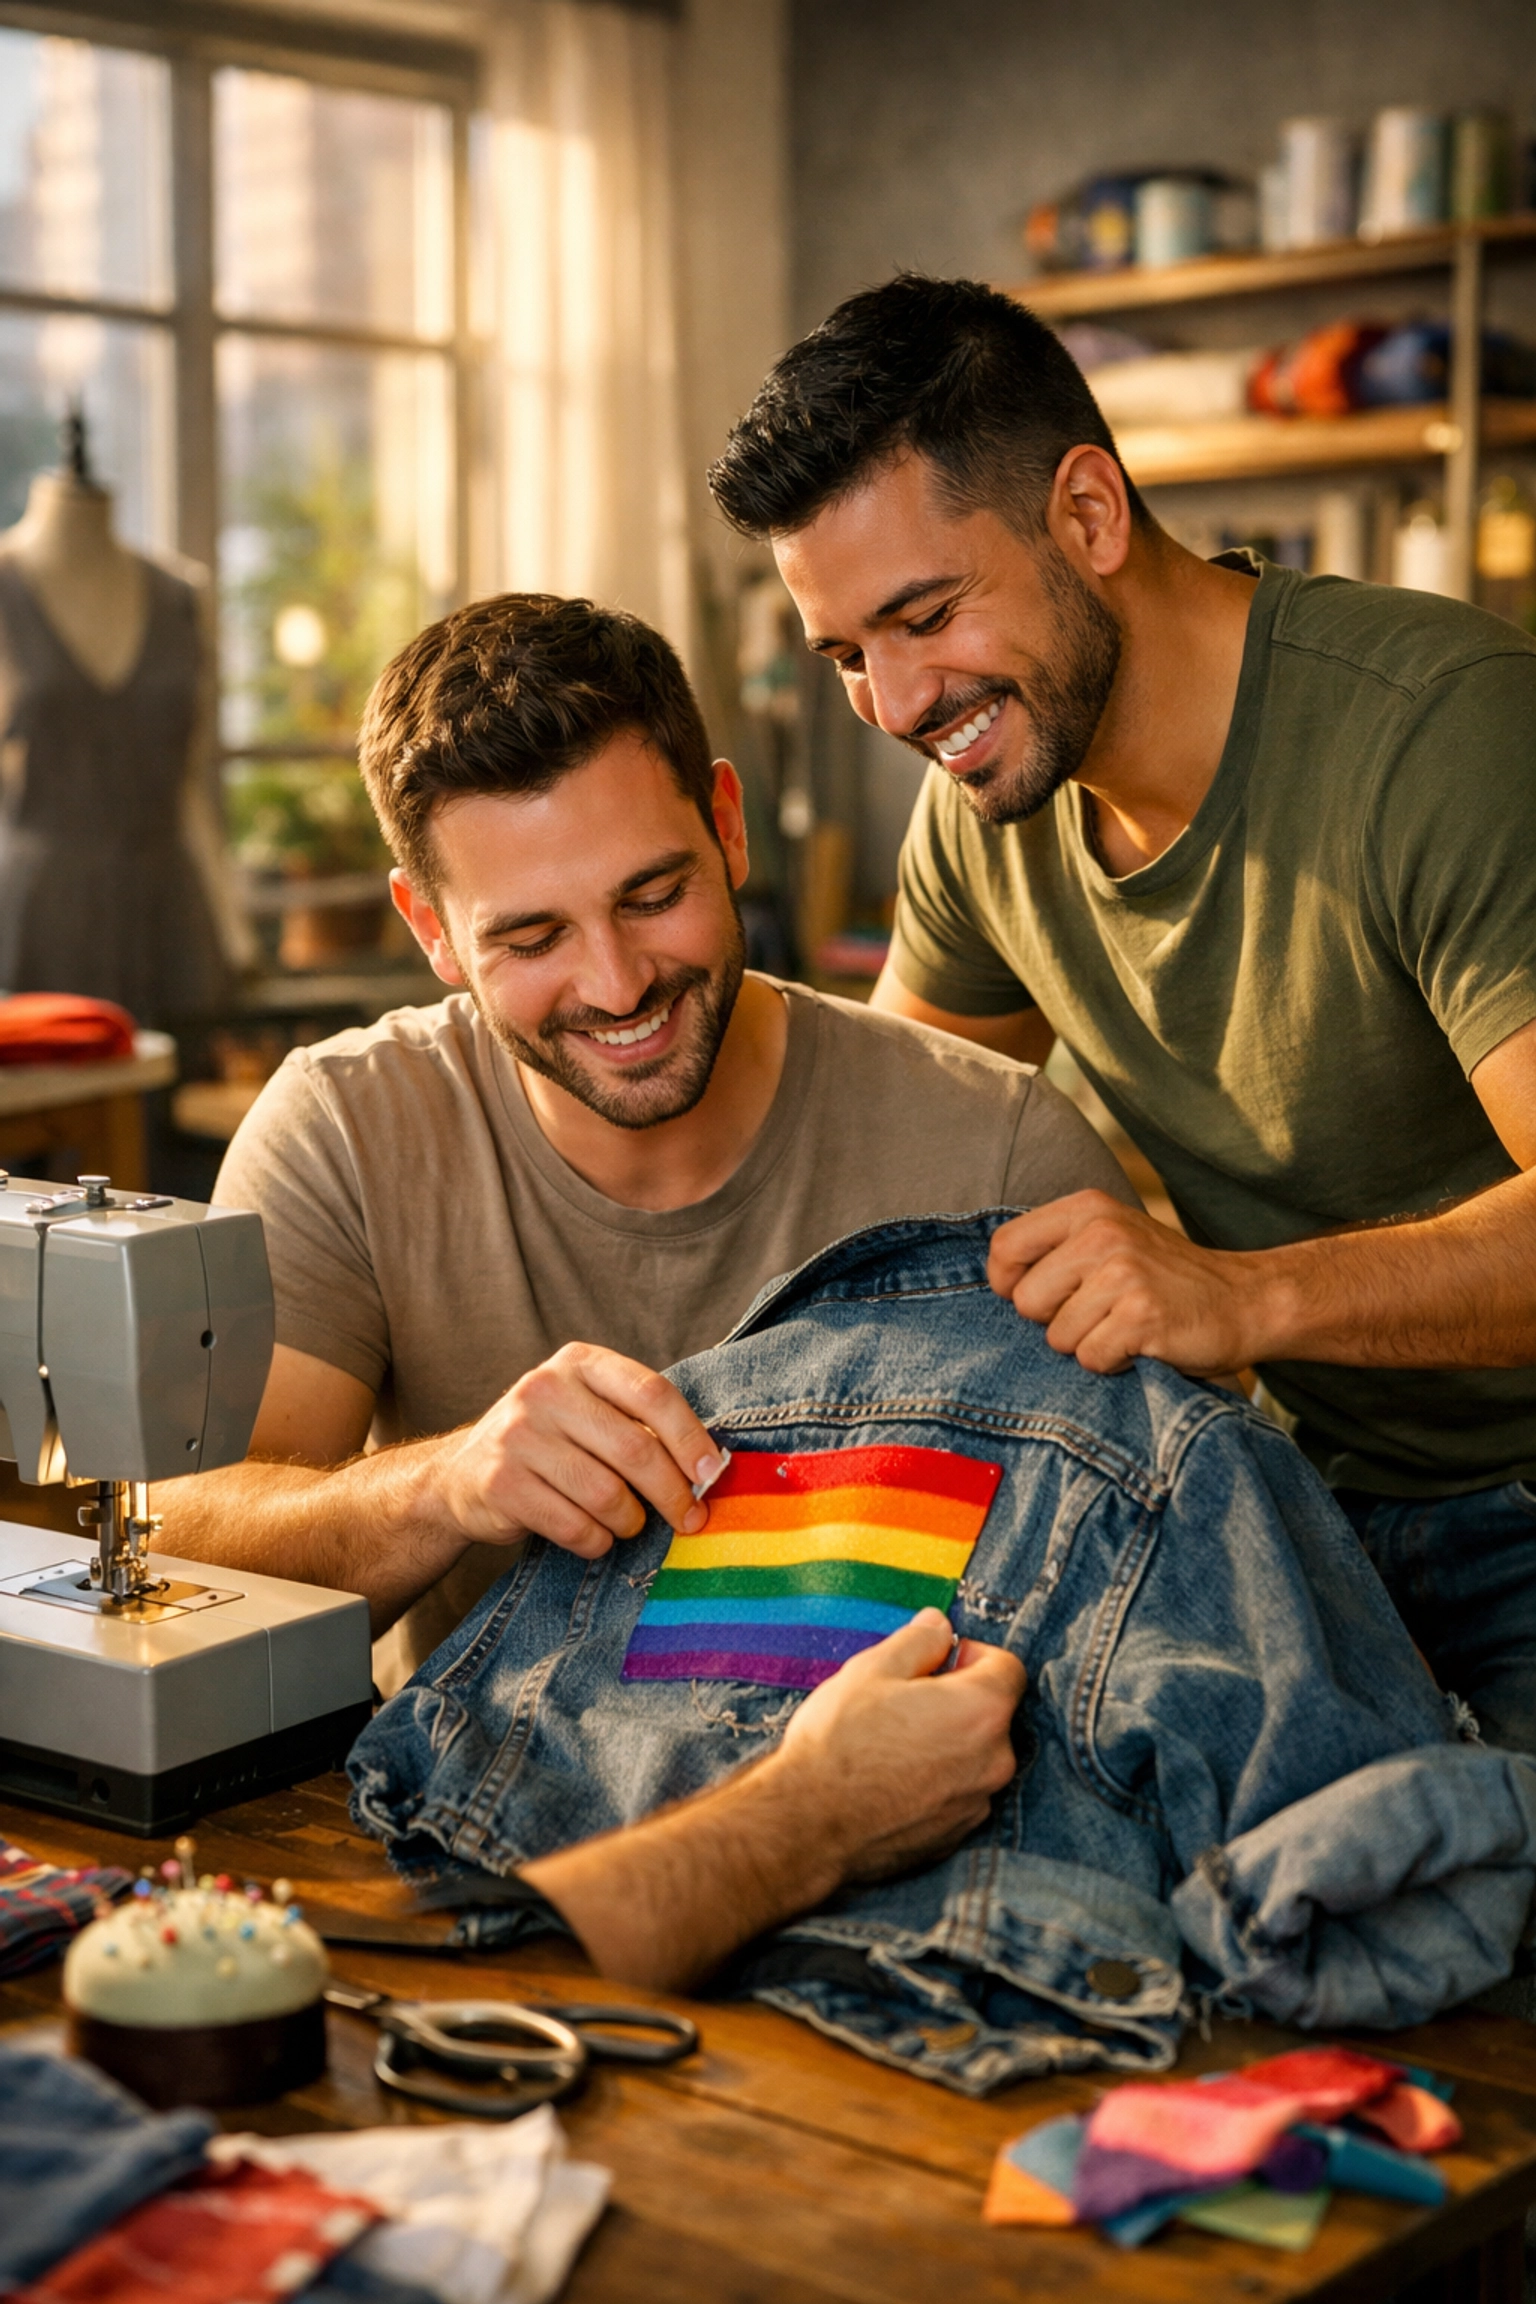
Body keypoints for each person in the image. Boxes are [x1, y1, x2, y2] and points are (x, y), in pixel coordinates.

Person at [707, 272, 1536, 1752]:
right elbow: (891, 1163)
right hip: (1304, 1505)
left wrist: (1237, 1292)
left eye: (925, 616)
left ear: (1088, 515)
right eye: (848, 656)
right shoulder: (987, 817)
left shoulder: (1444, 733)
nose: (896, 706)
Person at [159, 590, 1132, 1706]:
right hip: (475, 1836)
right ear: (429, 928)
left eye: (654, 895)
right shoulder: (344, 1131)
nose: (618, 986)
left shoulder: (999, 1153)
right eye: (531, 938)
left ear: (727, 823)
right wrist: (445, 1487)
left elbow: (1146, 1574)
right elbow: (176, 1547)